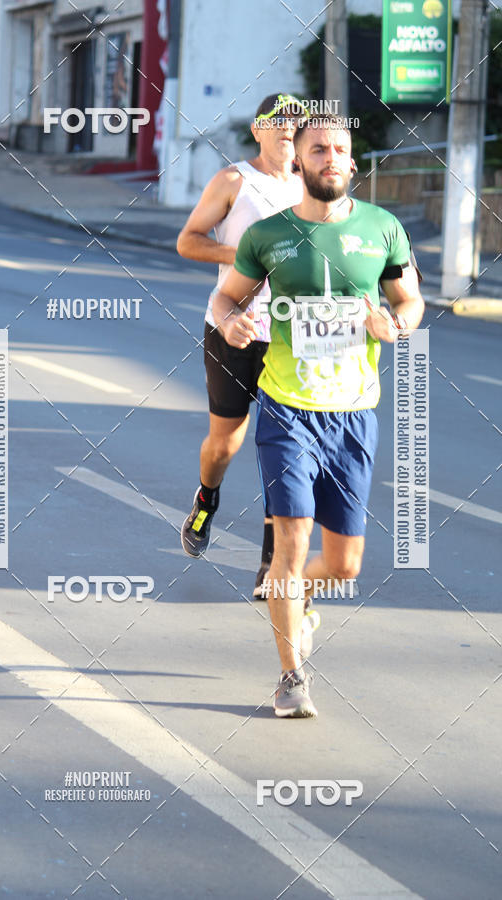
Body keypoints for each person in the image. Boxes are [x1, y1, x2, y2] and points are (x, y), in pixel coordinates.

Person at [213, 115, 424, 717]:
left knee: (343, 564)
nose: (331, 158)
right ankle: (290, 676)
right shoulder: (267, 236)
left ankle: (301, 595)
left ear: (353, 164)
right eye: (318, 150)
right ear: (298, 164)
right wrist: (231, 321)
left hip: (354, 415)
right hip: (287, 411)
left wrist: (398, 324)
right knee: (290, 541)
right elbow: (228, 296)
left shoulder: (383, 230)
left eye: (340, 150)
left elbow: (410, 299)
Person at [177, 94, 305, 597]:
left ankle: (272, 565)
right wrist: (246, 254)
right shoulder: (235, 181)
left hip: (291, 340)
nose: (286, 131)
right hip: (232, 326)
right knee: (225, 443)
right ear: (258, 130)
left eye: (295, 123)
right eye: (276, 123)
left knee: (284, 452)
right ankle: (207, 497)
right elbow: (188, 240)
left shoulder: (313, 186)